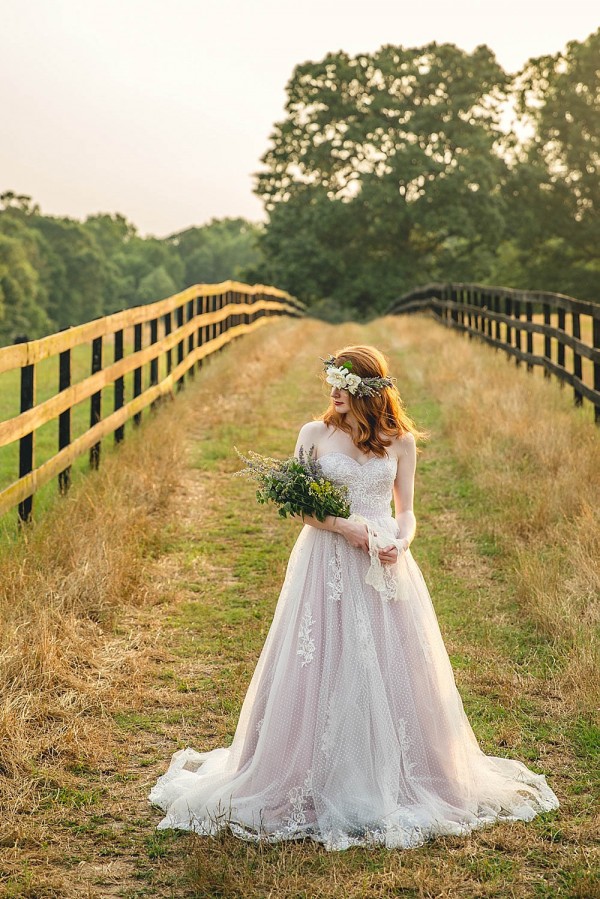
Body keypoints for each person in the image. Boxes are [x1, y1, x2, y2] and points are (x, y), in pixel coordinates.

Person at [148, 344, 559, 851]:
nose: (334, 392)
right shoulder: (314, 435)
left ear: (370, 389)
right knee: (321, 657)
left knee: (393, 664)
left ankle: (393, 775)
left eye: (345, 384)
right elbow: (300, 507)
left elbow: (406, 510)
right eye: (332, 382)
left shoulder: (401, 440)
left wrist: (400, 540)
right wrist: (346, 528)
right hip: (328, 558)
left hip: (384, 560)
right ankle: (309, 775)